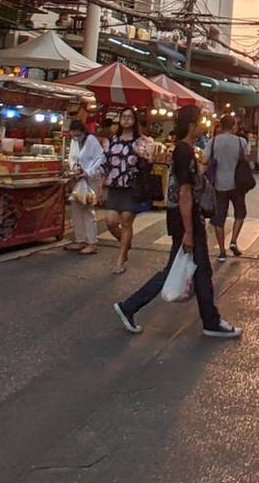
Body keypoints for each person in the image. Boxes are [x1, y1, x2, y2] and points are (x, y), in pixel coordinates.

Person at [112, 105, 241, 339]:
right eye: (201, 122)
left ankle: (209, 320)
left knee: (199, 271)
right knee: (181, 271)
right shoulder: (184, 151)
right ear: (192, 126)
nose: (204, 126)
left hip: (185, 220)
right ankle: (131, 306)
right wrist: (189, 231)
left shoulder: (185, 150)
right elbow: (184, 193)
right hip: (186, 221)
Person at [102, 113, 143, 273]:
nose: (126, 119)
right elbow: (105, 165)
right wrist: (102, 187)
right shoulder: (111, 141)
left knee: (126, 221)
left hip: (132, 186)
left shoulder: (140, 142)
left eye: (130, 117)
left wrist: (147, 156)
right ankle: (125, 242)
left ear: (134, 120)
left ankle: (120, 258)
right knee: (110, 221)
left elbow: (146, 163)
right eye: (123, 116)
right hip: (114, 185)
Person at [208, 116, 249, 261]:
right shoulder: (241, 141)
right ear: (234, 126)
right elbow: (246, 159)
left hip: (219, 185)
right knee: (240, 212)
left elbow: (205, 160)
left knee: (219, 218)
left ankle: (221, 251)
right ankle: (233, 240)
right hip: (237, 184)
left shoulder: (212, 142)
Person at [65, 118, 105, 255]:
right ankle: (80, 239)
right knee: (76, 210)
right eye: (73, 135)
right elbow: (72, 157)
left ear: (83, 132)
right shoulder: (75, 142)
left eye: (78, 135)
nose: (76, 138)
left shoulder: (91, 140)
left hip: (90, 180)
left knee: (87, 210)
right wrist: (74, 168)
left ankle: (92, 242)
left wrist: (88, 172)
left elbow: (101, 158)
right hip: (77, 180)